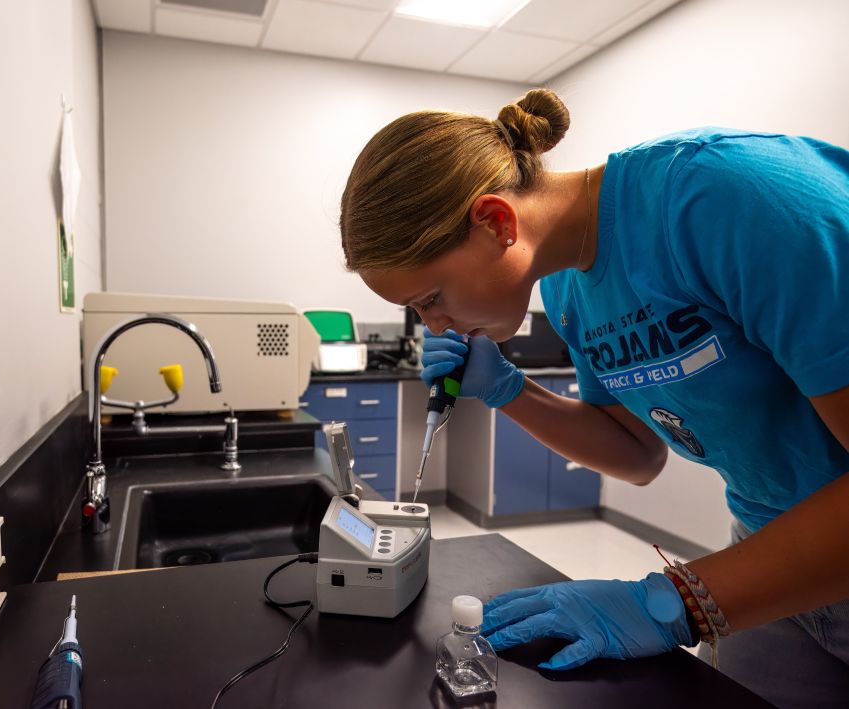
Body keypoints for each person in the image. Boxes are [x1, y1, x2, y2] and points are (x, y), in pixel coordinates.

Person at [338, 88, 849, 707]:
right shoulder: (566, 289)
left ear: (497, 221)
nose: (434, 326)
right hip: (773, 550)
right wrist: (507, 389)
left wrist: (670, 603)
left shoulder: (722, 198)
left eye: (430, 298)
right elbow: (637, 456)